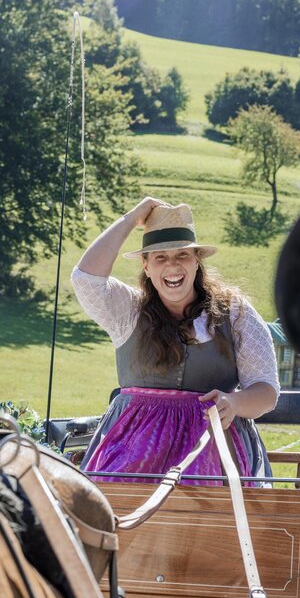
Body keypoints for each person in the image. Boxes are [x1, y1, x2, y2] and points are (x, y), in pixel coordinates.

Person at [72, 198, 280, 486]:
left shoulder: (235, 314)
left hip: (213, 446)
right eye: (159, 257)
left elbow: (266, 391)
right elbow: (85, 279)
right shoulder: (128, 310)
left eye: (182, 255)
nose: (172, 265)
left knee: (210, 508)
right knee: (111, 506)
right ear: (146, 266)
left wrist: (234, 402)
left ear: (196, 261)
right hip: (132, 453)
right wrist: (131, 218)